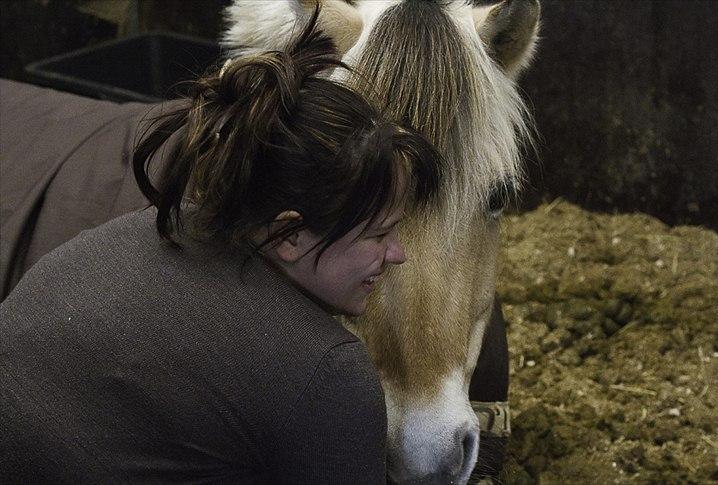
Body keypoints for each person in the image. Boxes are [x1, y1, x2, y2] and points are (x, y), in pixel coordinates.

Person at [0, 9, 441, 484]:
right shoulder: (324, 374)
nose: (398, 254)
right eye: (377, 234)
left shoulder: (111, 242)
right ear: (289, 234)